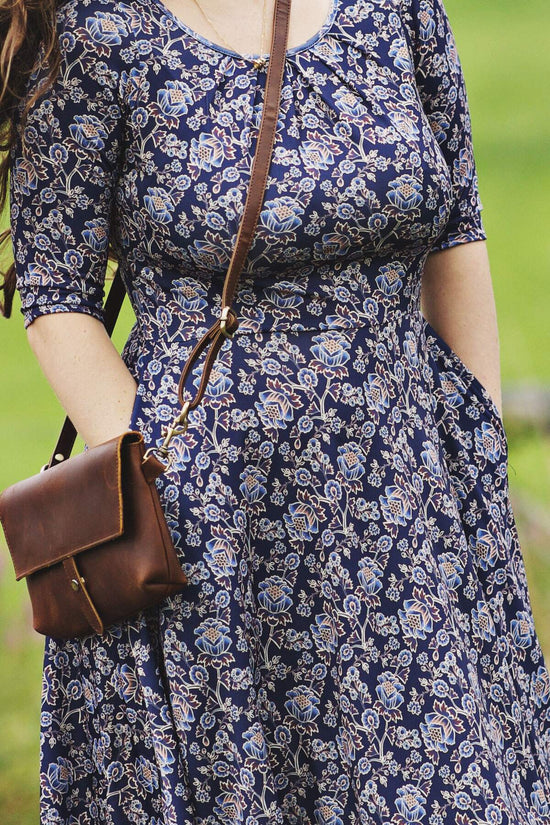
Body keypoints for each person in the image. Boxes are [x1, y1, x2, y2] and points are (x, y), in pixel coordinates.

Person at [1, 0, 549, 822]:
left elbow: (457, 236)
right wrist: (163, 485)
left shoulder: (399, 9)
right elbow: (56, 293)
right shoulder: (93, 27)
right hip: (212, 526)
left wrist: (471, 437)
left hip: (413, 508)